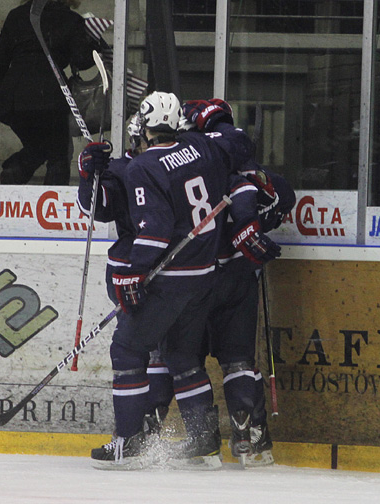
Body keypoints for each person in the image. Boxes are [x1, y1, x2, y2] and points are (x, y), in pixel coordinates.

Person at [82, 91, 256, 470]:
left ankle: (128, 443)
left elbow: (156, 229)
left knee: (127, 351)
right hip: (203, 277)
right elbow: (237, 146)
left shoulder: (145, 166)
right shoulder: (201, 147)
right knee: (181, 356)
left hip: (169, 280)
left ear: (144, 127)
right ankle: (204, 444)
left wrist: (132, 271)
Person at [0, 0, 97, 185]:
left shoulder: (16, 16)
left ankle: (13, 174)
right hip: (50, 99)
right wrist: (93, 39)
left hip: (14, 100)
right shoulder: (70, 20)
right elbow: (82, 62)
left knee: (38, 147)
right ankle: (52, 208)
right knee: (58, 154)